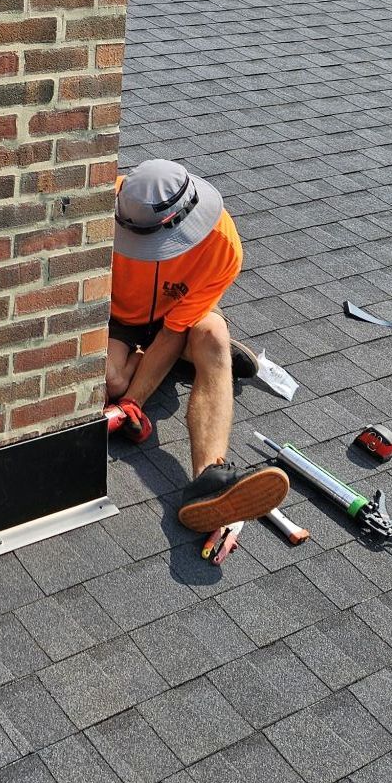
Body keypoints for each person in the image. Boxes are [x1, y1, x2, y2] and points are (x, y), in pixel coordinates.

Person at [104, 158, 289, 533]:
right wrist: (126, 397)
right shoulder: (108, 202)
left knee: (212, 338)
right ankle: (182, 360)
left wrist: (133, 405)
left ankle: (209, 481)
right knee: (113, 381)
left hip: (177, 319)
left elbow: (174, 329)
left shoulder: (222, 245)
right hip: (119, 316)